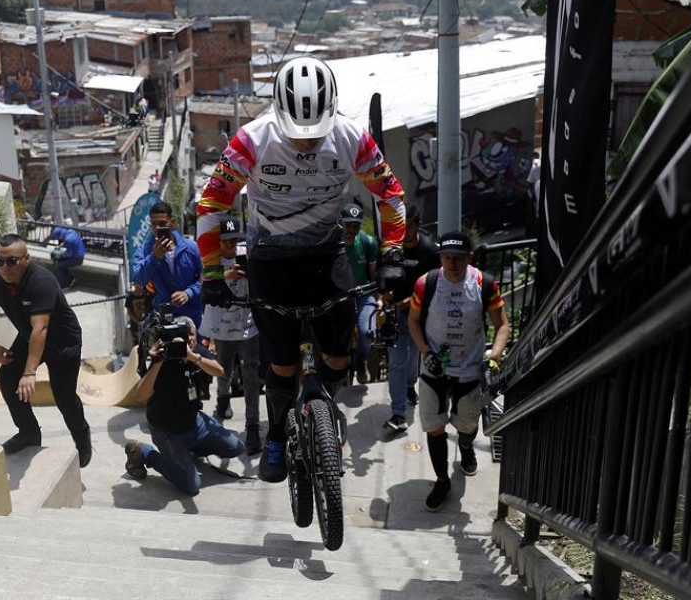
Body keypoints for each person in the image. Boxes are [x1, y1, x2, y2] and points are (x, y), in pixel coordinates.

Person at [196, 56, 406, 483]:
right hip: (269, 254)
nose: (307, 144)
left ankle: (324, 412)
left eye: (316, 134)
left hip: (325, 251)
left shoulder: (351, 137)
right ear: (278, 113)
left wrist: (393, 257)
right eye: (297, 134)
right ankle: (275, 434)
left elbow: (392, 197)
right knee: (284, 363)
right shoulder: (250, 141)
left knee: (339, 354)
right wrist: (213, 273)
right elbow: (211, 204)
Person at [408, 231, 509, 511]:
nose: (452, 263)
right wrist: (426, 352)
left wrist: (495, 356)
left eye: (459, 258)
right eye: (447, 257)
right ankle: (442, 480)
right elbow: (414, 322)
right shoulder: (425, 284)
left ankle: (466, 447)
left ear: (470, 258)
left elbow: (502, 325)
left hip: (470, 369)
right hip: (434, 369)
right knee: (434, 426)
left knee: (467, 424)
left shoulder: (484, 284)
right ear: (440, 257)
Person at [0, 234, 93, 467]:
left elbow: (42, 327)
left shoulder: (41, 281)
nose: (5, 268)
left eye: (12, 261)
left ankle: (82, 439)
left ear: (26, 259)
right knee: (7, 379)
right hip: (31, 336)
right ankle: (28, 432)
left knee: (64, 398)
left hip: (62, 342)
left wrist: (29, 373)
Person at [124, 316, 245, 495]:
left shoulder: (194, 351)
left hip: (195, 422)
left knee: (236, 447)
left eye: (191, 335)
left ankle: (191, 449)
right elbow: (141, 396)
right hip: (168, 431)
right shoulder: (159, 356)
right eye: (183, 335)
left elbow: (220, 371)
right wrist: (157, 363)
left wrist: (194, 357)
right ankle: (143, 452)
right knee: (191, 485)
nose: (188, 339)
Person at [199, 218, 263, 455]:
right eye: (225, 241)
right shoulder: (211, 258)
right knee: (223, 367)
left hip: (247, 323)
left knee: (251, 372)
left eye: (234, 240)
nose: (230, 246)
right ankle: (222, 399)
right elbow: (202, 284)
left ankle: (252, 424)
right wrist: (225, 275)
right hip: (222, 325)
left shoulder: (247, 253)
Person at [379, 203, 439, 433]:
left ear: (418, 225)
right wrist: (382, 299)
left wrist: (411, 301)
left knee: (414, 356)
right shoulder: (392, 248)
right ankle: (398, 414)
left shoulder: (430, 251)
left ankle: (409, 385)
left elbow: (436, 284)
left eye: (409, 227)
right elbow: (382, 278)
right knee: (396, 362)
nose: (404, 232)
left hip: (421, 315)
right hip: (396, 314)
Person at [131, 201, 203, 331]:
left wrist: (189, 293)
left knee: (194, 351)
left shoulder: (192, 248)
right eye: (154, 224)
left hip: (192, 317)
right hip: (164, 317)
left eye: (162, 224)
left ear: (172, 223)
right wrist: (154, 257)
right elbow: (138, 279)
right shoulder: (145, 251)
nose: (158, 228)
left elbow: (205, 277)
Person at [339, 203, 379, 384]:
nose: (351, 230)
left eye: (356, 226)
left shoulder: (367, 242)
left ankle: (360, 360)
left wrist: (378, 298)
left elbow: (373, 274)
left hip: (363, 294)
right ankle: (340, 374)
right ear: (340, 223)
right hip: (339, 298)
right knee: (338, 338)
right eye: (348, 225)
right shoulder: (332, 244)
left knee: (368, 331)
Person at [47, 226, 85, 290]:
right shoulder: (71, 232)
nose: (59, 239)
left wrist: (60, 255)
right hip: (79, 254)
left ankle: (65, 284)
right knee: (55, 256)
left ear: (60, 235)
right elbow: (71, 246)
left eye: (59, 238)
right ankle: (66, 278)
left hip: (77, 258)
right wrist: (61, 248)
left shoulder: (68, 240)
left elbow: (69, 254)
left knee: (59, 266)